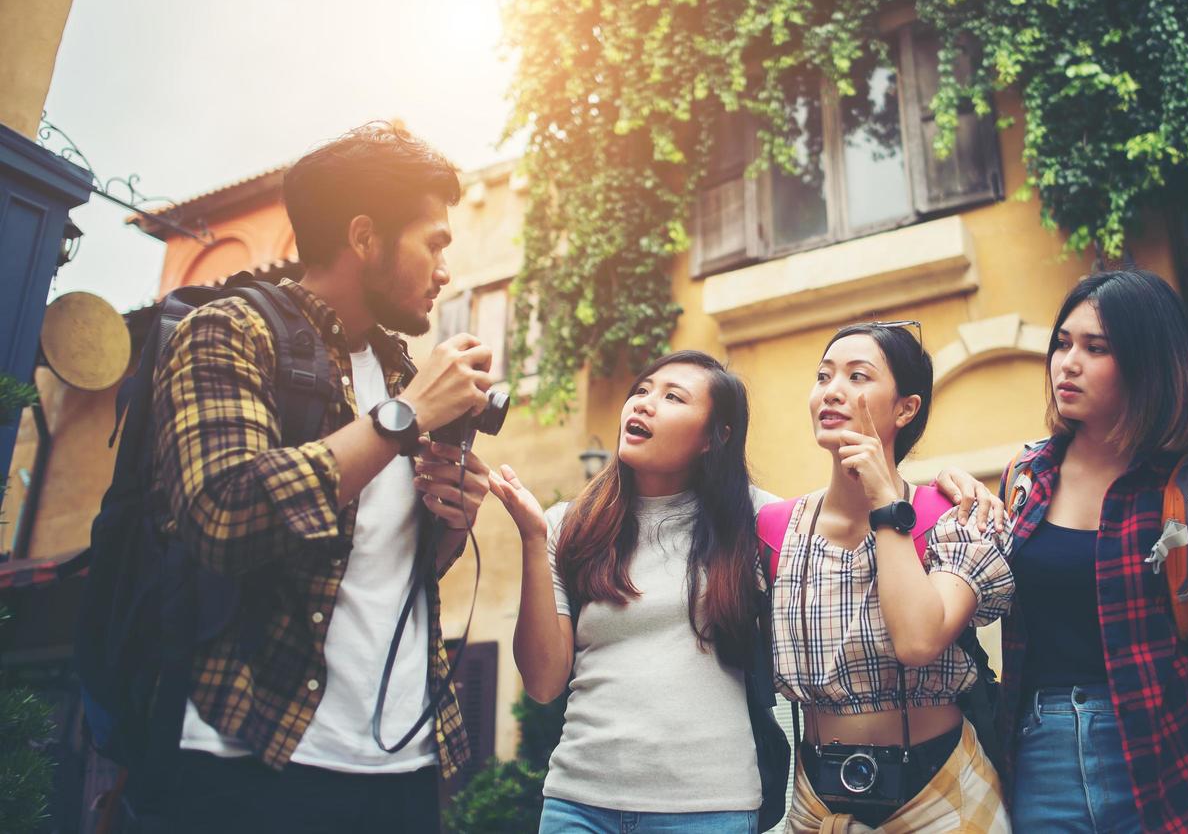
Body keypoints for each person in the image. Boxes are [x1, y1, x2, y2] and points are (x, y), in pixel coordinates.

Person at [145, 122, 497, 833]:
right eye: (433, 243)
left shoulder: (402, 371)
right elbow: (223, 512)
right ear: (364, 236)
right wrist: (404, 418)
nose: (443, 271)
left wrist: (451, 526)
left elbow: (393, 570)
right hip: (258, 755)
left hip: (402, 760)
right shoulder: (230, 331)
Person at [487, 349, 993, 833]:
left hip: (710, 806)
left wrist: (944, 487)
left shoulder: (763, 522)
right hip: (580, 803)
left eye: (673, 397)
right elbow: (543, 682)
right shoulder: (567, 527)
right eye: (641, 390)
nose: (642, 403)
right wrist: (533, 539)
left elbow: (850, 523)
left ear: (715, 436)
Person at [996, 269, 1188, 833]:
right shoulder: (1026, 477)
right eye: (1062, 342)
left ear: (1147, 362)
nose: (1067, 362)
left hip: (1167, 755)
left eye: (1095, 348)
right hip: (1040, 756)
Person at [770, 321, 1014, 833]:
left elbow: (919, 641)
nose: (832, 391)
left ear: (906, 408)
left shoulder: (951, 518)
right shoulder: (773, 529)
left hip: (941, 794)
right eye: (823, 376)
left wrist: (887, 503)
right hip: (817, 805)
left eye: (858, 376)